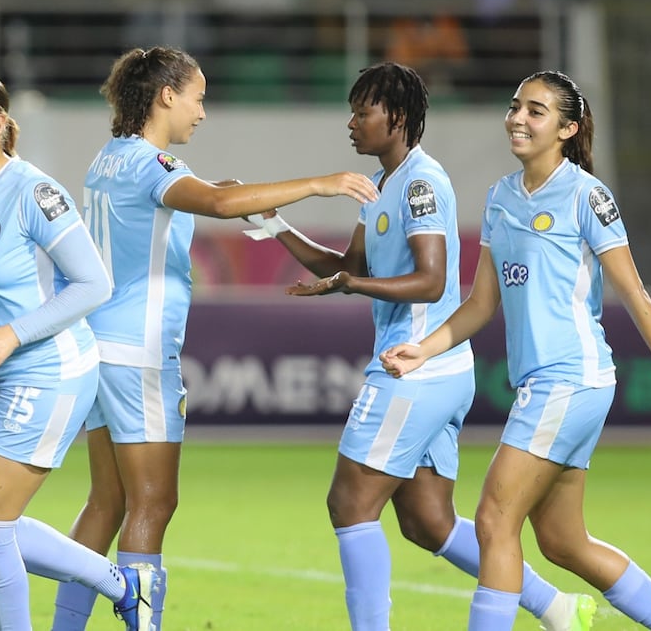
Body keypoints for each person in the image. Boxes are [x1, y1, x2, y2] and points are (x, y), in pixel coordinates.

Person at [245, 61, 594, 631]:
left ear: (398, 117)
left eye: (363, 112)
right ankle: (555, 606)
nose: (351, 123)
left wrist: (351, 285)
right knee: (428, 522)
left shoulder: (421, 183)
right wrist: (275, 225)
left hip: (414, 367)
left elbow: (431, 281)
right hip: (438, 370)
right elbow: (349, 266)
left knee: (349, 504)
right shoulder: (382, 186)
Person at [49, 46, 380, 631]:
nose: (202, 112)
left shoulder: (110, 158)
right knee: (154, 502)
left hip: (99, 348)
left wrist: (219, 191)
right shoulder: (154, 165)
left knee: (107, 500)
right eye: (197, 98)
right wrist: (319, 184)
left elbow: (192, 195)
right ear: (166, 96)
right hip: (141, 354)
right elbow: (221, 203)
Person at [379, 71, 651, 631]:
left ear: (567, 129)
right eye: (515, 106)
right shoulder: (500, 197)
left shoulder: (587, 195)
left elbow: (634, 293)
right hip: (550, 386)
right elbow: (480, 303)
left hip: (569, 379)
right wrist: (424, 348)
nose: (518, 118)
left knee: (494, 520)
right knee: (562, 540)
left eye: (535, 111)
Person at [0, 69, 152, 631]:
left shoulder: (35, 193)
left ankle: (123, 586)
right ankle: (125, 585)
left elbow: (94, 285)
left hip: (50, 369)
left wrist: (12, 336)